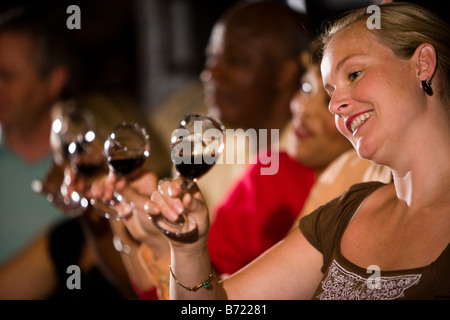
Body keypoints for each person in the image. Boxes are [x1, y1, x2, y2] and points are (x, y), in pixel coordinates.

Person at [146, 2, 450, 300]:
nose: (334, 105)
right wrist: (188, 249)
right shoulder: (342, 216)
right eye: (330, 92)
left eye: (354, 74)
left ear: (422, 64)